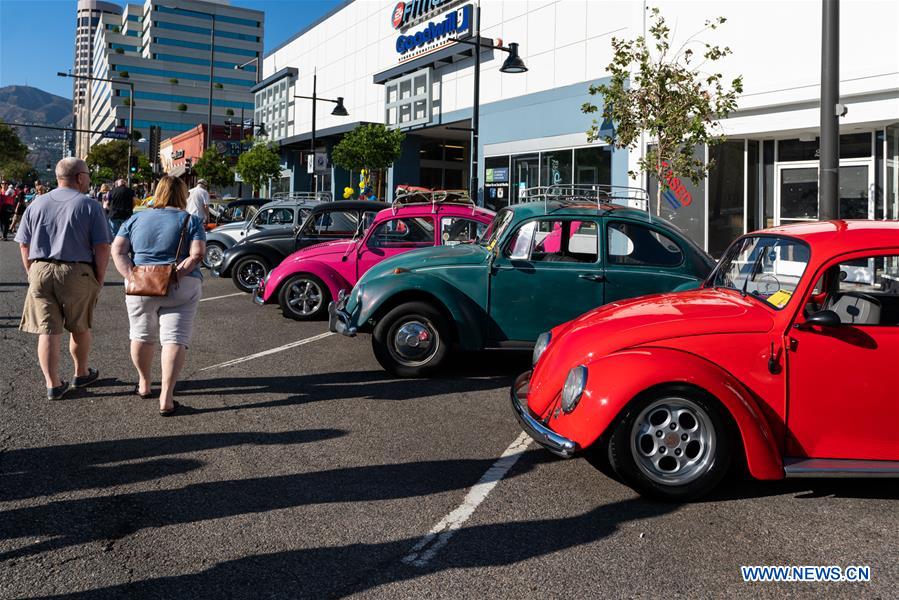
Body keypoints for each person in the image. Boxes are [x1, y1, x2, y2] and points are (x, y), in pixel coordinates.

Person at [15, 158, 111, 400]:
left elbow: (24, 244)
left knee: (47, 330)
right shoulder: (89, 205)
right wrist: (99, 277)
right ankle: (81, 372)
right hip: (75, 271)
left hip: (39, 269)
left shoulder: (36, 204)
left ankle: (53, 384)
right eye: (87, 174)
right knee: (79, 326)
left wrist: (30, 271)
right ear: (79, 177)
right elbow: (101, 247)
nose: (89, 179)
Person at [112, 175, 206, 416]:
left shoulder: (136, 218)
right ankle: (166, 397)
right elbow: (197, 255)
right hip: (181, 286)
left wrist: (130, 275)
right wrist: (176, 275)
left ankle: (144, 383)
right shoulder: (191, 220)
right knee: (175, 338)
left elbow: (118, 250)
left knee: (141, 335)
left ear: (158, 192)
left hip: (141, 284)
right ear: (183, 195)